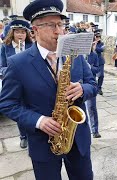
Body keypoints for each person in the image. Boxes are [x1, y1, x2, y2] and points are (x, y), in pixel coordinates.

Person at [0, 0, 97, 179]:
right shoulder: (17, 63)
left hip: (77, 138)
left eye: (61, 24)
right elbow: (7, 104)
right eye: (52, 25)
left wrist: (83, 89)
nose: (59, 31)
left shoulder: (74, 54)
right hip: (43, 142)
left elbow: (93, 84)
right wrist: (39, 121)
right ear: (35, 30)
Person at [0, 19, 33, 149]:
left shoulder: (31, 46)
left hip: (30, 83)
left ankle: (32, 135)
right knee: (20, 110)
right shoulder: (5, 47)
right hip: (15, 85)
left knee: (31, 109)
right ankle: (23, 136)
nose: (21, 35)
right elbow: (1, 67)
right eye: (18, 32)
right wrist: (12, 71)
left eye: (23, 32)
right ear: (12, 33)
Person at [86, 43, 101, 138]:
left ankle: (95, 130)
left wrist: (89, 66)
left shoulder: (94, 55)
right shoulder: (77, 55)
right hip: (78, 84)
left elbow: (97, 69)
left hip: (90, 83)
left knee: (92, 108)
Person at [93, 29, 105, 95]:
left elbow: (101, 49)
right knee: (93, 76)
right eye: (96, 37)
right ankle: (94, 87)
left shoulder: (102, 43)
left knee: (101, 75)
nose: (98, 38)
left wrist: (96, 47)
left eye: (99, 37)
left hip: (100, 61)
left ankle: (99, 87)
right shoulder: (92, 43)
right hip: (93, 61)